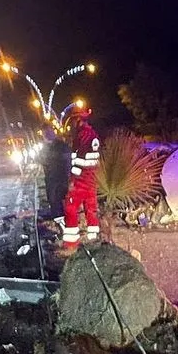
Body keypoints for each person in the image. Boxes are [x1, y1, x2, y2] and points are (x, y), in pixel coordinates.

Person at [60, 108, 101, 253]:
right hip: (92, 179)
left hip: (80, 180)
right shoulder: (94, 135)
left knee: (70, 208)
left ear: (78, 121)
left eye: (73, 121)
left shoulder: (82, 136)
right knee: (91, 209)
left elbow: (78, 161)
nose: (72, 125)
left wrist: (72, 180)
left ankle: (71, 243)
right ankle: (93, 238)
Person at [40, 125, 72, 216]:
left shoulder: (47, 148)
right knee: (64, 201)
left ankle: (60, 219)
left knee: (55, 202)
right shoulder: (63, 145)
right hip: (63, 178)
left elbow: (42, 160)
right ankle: (66, 218)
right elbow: (69, 160)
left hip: (54, 180)